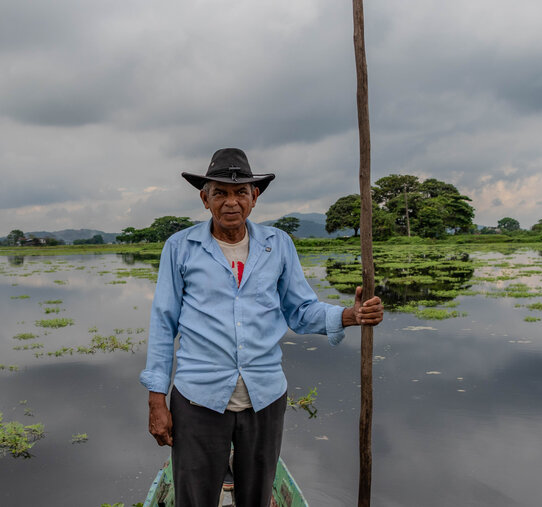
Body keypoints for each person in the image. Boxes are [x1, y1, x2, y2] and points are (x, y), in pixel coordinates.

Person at [139, 148, 384, 506]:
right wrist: (156, 399)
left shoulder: (278, 245)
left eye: (240, 192)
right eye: (220, 193)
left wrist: (350, 315)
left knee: (256, 497)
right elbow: (164, 323)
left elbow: (300, 310)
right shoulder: (180, 248)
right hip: (198, 398)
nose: (231, 202)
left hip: (264, 397)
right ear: (205, 199)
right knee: (193, 499)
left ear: (254, 197)